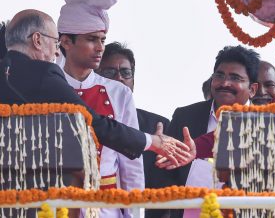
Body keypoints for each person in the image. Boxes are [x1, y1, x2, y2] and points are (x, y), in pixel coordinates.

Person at [0, 10, 192, 180]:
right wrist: (152, 142)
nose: (57, 52)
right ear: (37, 40)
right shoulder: (44, 73)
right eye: (55, 42)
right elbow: (91, 122)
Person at [58, 11, 144, 216]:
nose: (100, 48)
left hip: (106, 207)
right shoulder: (47, 86)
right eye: (91, 39)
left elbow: (131, 163)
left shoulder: (119, 92)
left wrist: (132, 213)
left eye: (102, 40)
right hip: (55, 204)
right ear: (66, 42)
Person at [163, 45, 260, 218]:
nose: (225, 83)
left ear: (252, 89)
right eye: (219, 76)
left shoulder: (266, 122)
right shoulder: (185, 116)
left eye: (235, 78)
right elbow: (166, 174)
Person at [96, 42, 170, 218]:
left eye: (125, 73)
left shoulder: (158, 125)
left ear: (133, 80)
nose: (119, 78)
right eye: (109, 72)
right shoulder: (88, 121)